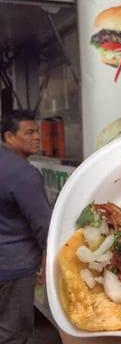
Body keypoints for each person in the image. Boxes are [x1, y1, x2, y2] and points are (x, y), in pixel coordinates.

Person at [0, 110, 51, 344]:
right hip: (15, 267)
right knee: (14, 333)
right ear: (9, 137)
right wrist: (47, 255)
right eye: (29, 132)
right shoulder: (23, 173)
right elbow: (42, 222)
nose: (37, 137)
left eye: (37, 131)